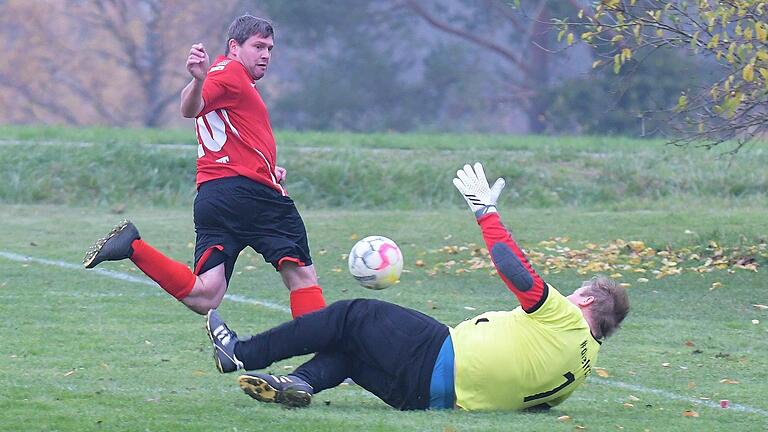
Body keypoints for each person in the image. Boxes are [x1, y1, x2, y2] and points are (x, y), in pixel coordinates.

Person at [204, 162, 630, 411]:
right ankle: (300, 383)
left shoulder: (567, 318)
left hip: (438, 355)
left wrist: (486, 213)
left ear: (587, 299)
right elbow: (533, 404)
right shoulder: (583, 370)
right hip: (424, 398)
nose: (569, 295)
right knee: (351, 353)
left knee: (354, 315)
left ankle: (240, 353)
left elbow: (513, 269)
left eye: (577, 292)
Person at [82, 15, 326, 319]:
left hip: (214, 197)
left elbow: (225, 131)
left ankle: (132, 246)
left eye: (270, 48)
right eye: (258, 46)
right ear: (234, 47)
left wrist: (266, 168)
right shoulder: (231, 72)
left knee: (205, 296)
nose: (265, 54)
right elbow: (191, 108)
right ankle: (323, 363)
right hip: (250, 196)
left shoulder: (231, 78)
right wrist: (198, 80)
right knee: (302, 279)